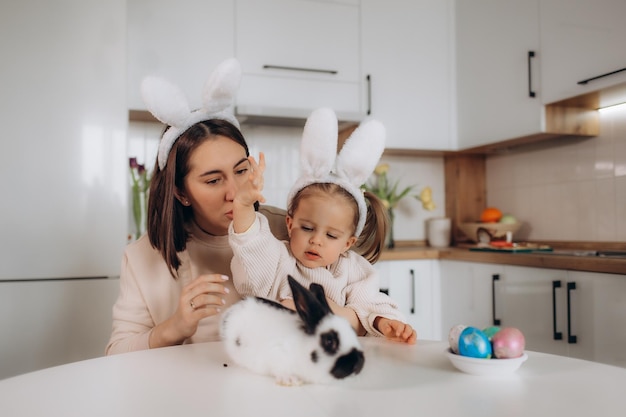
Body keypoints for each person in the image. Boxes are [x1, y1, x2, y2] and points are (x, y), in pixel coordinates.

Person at [105, 60, 360, 354]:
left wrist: (327, 312)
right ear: (181, 192)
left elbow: (365, 314)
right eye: (213, 181)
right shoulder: (142, 257)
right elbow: (117, 352)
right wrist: (176, 326)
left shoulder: (293, 229)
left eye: (241, 171)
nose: (235, 193)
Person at [229, 108, 417, 344]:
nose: (316, 240)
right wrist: (244, 204)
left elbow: (371, 304)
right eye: (307, 228)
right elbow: (251, 245)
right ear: (290, 224)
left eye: (331, 235)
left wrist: (385, 322)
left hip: (334, 359)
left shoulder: (352, 269)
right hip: (281, 357)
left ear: (348, 243)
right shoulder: (278, 258)